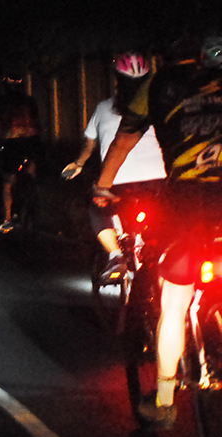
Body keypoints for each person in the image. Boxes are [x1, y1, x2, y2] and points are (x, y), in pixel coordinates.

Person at [96, 34, 222, 424]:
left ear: (162, 58)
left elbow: (123, 141)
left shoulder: (156, 85)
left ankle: (164, 401)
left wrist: (102, 186)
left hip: (187, 203)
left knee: (175, 302)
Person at [63, 52, 166, 283]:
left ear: (117, 80)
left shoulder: (103, 108)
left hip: (117, 182)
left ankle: (115, 255)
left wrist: (78, 164)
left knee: (97, 209)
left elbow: (89, 144)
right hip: (160, 180)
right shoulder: (160, 106)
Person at [0, 72, 42, 233]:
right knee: (31, 173)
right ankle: (34, 205)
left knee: (8, 180)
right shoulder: (30, 101)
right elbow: (37, 122)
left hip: (12, 142)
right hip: (32, 142)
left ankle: (7, 219)